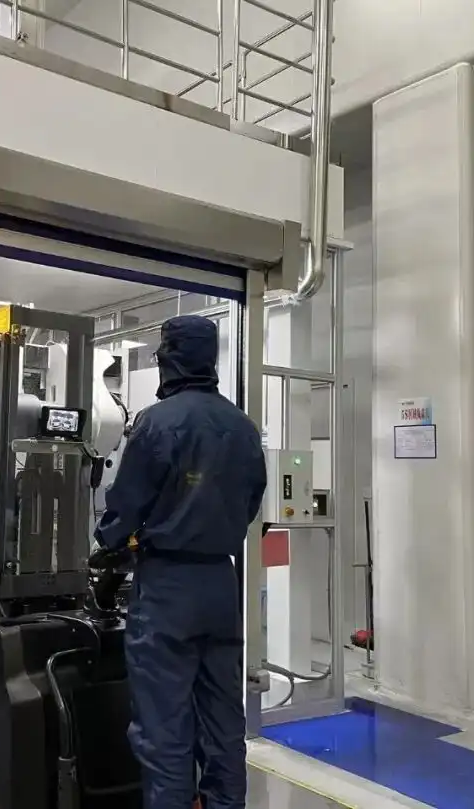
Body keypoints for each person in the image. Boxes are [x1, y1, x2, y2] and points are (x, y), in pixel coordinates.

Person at [93, 315, 267, 809]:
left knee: (164, 728)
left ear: (170, 357)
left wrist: (108, 542)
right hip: (221, 583)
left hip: (168, 588)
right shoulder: (242, 425)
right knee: (223, 719)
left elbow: (125, 506)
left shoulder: (156, 422)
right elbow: (251, 500)